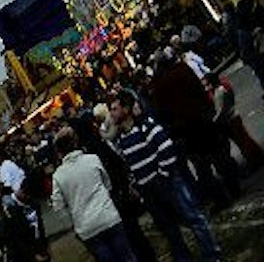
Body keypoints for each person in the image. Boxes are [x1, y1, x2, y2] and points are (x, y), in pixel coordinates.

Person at [110, 91, 221, 262]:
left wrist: (161, 176)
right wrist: (137, 185)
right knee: (169, 230)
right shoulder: (121, 139)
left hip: (166, 182)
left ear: (126, 109)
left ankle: (212, 255)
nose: (111, 113)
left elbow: (166, 149)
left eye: (115, 109)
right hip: (149, 191)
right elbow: (129, 165)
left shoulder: (146, 126)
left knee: (192, 217)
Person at [145, 47, 241, 206]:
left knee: (203, 166)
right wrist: (208, 110)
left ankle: (220, 199)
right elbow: (199, 89)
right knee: (219, 156)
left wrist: (173, 129)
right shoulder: (182, 69)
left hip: (185, 129)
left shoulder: (159, 84)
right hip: (202, 119)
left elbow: (162, 111)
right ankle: (234, 188)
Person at [47, 128, 133, 262]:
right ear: (75, 143)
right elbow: (107, 184)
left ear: (59, 152)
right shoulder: (93, 159)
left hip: (86, 228)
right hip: (108, 216)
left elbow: (58, 207)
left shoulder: (58, 176)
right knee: (127, 257)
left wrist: (72, 222)